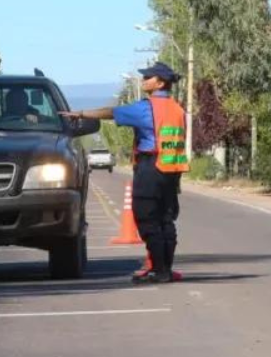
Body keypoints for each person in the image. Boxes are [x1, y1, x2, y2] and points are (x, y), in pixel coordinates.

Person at [63, 62, 188, 284]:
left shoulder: (147, 108)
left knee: (147, 219)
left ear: (160, 82)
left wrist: (81, 113)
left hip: (151, 168)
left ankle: (160, 270)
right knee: (165, 221)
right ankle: (165, 269)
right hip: (171, 170)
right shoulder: (177, 109)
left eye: (148, 77)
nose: (144, 80)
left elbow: (111, 113)